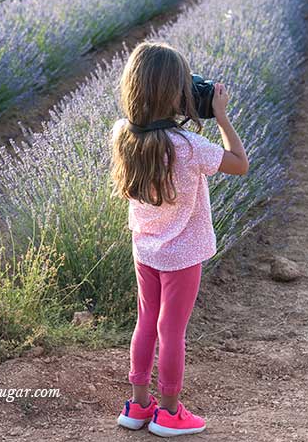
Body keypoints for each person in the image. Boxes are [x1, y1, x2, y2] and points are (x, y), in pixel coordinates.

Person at [110, 41, 249, 437]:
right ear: (175, 94)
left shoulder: (124, 135)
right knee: (172, 332)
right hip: (183, 254)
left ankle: (138, 406)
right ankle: (169, 412)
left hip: (146, 249)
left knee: (145, 324)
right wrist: (221, 117)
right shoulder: (189, 146)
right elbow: (240, 164)